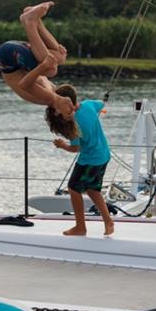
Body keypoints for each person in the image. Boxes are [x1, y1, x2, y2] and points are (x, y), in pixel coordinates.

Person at [46, 84, 114, 237]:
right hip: (104, 155)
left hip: (89, 160)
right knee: (92, 190)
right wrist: (102, 104)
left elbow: (76, 149)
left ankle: (80, 227)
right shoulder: (89, 104)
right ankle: (108, 221)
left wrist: (63, 145)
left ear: (65, 103)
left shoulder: (72, 122)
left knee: (73, 189)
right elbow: (101, 104)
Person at [0, 1, 75, 118]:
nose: (71, 107)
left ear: (57, 112)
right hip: (13, 53)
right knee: (60, 57)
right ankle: (35, 19)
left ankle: (29, 22)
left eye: (68, 110)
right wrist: (54, 51)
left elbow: (24, 85)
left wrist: (44, 66)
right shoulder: (51, 92)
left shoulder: (47, 99)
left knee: (50, 70)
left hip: (9, 58)